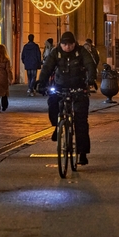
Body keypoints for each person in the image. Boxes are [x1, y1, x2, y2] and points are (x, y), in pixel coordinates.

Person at [37, 31, 96, 165]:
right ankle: (57, 126)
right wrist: (41, 82)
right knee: (52, 102)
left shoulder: (81, 52)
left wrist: (90, 79)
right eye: (64, 44)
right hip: (60, 86)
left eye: (70, 44)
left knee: (81, 120)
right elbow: (47, 68)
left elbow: (90, 64)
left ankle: (82, 153)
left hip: (79, 87)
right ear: (61, 44)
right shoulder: (56, 53)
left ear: (74, 44)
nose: (67, 47)